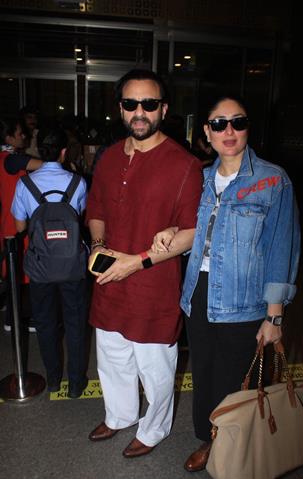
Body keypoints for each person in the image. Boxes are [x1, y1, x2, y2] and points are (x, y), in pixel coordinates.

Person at [151, 94, 301, 472]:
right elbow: (188, 229)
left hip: (246, 301)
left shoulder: (272, 180)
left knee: (237, 380)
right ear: (207, 131)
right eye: (219, 124)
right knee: (203, 372)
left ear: (248, 127)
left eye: (238, 122)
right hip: (197, 295)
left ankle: (236, 446)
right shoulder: (198, 178)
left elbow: (282, 248)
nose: (229, 131)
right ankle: (208, 438)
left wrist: (275, 316)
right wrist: (172, 229)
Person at [86, 69, 203, 457]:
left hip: (153, 288)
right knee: (113, 358)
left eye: (149, 104)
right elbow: (96, 209)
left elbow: (191, 233)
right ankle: (119, 416)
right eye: (131, 103)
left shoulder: (184, 164)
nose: (140, 112)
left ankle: (153, 430)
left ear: (163, 109)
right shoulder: (107, 158)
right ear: (120, 109)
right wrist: (98, 245)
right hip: (109, 283)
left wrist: (135, 262)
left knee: (156, 371)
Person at [11, 128, 88, 398]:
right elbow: (79, 216)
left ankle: (53, 379)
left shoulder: (25, 184)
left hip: (41, 266)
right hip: (72, 265)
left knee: (45, 322)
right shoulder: (78, 183)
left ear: (39, 152)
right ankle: (76, 383)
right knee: (76, 323)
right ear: (64, 152)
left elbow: (20, 226)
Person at [0, 117, 42, 332]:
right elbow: (41, 164)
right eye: (19, 133)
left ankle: (12, 315)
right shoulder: (10, 159)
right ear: (8, 137)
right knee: (19, 274)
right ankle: (13, 320)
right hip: (13, 226)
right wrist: (56, 164)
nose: (23, 136)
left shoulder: (7, 158)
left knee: (14, 273)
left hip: (11, 222)